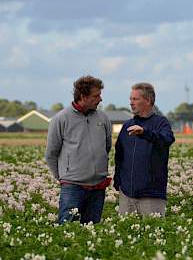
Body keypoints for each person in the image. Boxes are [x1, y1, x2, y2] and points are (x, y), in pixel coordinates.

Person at [45, 75, 112, 224]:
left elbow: (106, 147)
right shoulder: (60, 119)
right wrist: (63, 177)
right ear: (83, 96)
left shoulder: (103, 118)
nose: (100, 99)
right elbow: (51, 154)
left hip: (98, 186)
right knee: (67, 228)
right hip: (72, 186)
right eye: (96, 96)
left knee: (92, 230)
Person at [114, 83, 175, 216]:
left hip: (151, 195)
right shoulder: (127, 126)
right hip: (127, 195)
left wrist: (145, 133)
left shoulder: (160, 123)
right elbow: (119, 155)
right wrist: (118, 182)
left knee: (153, 234)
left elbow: (167, 139)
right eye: (130, 99)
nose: (131, 103)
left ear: (148, 100)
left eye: (135, 99)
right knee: (126, 231)